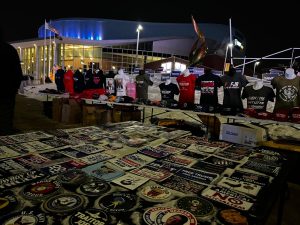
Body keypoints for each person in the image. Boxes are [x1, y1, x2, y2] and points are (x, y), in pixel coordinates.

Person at [0, 27, 23, 135]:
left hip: (8, 88)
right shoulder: (10, 50)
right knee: (6, 113)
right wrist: (15, 87)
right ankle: (6, 131)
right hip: (8, 89)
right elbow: (18, 72)